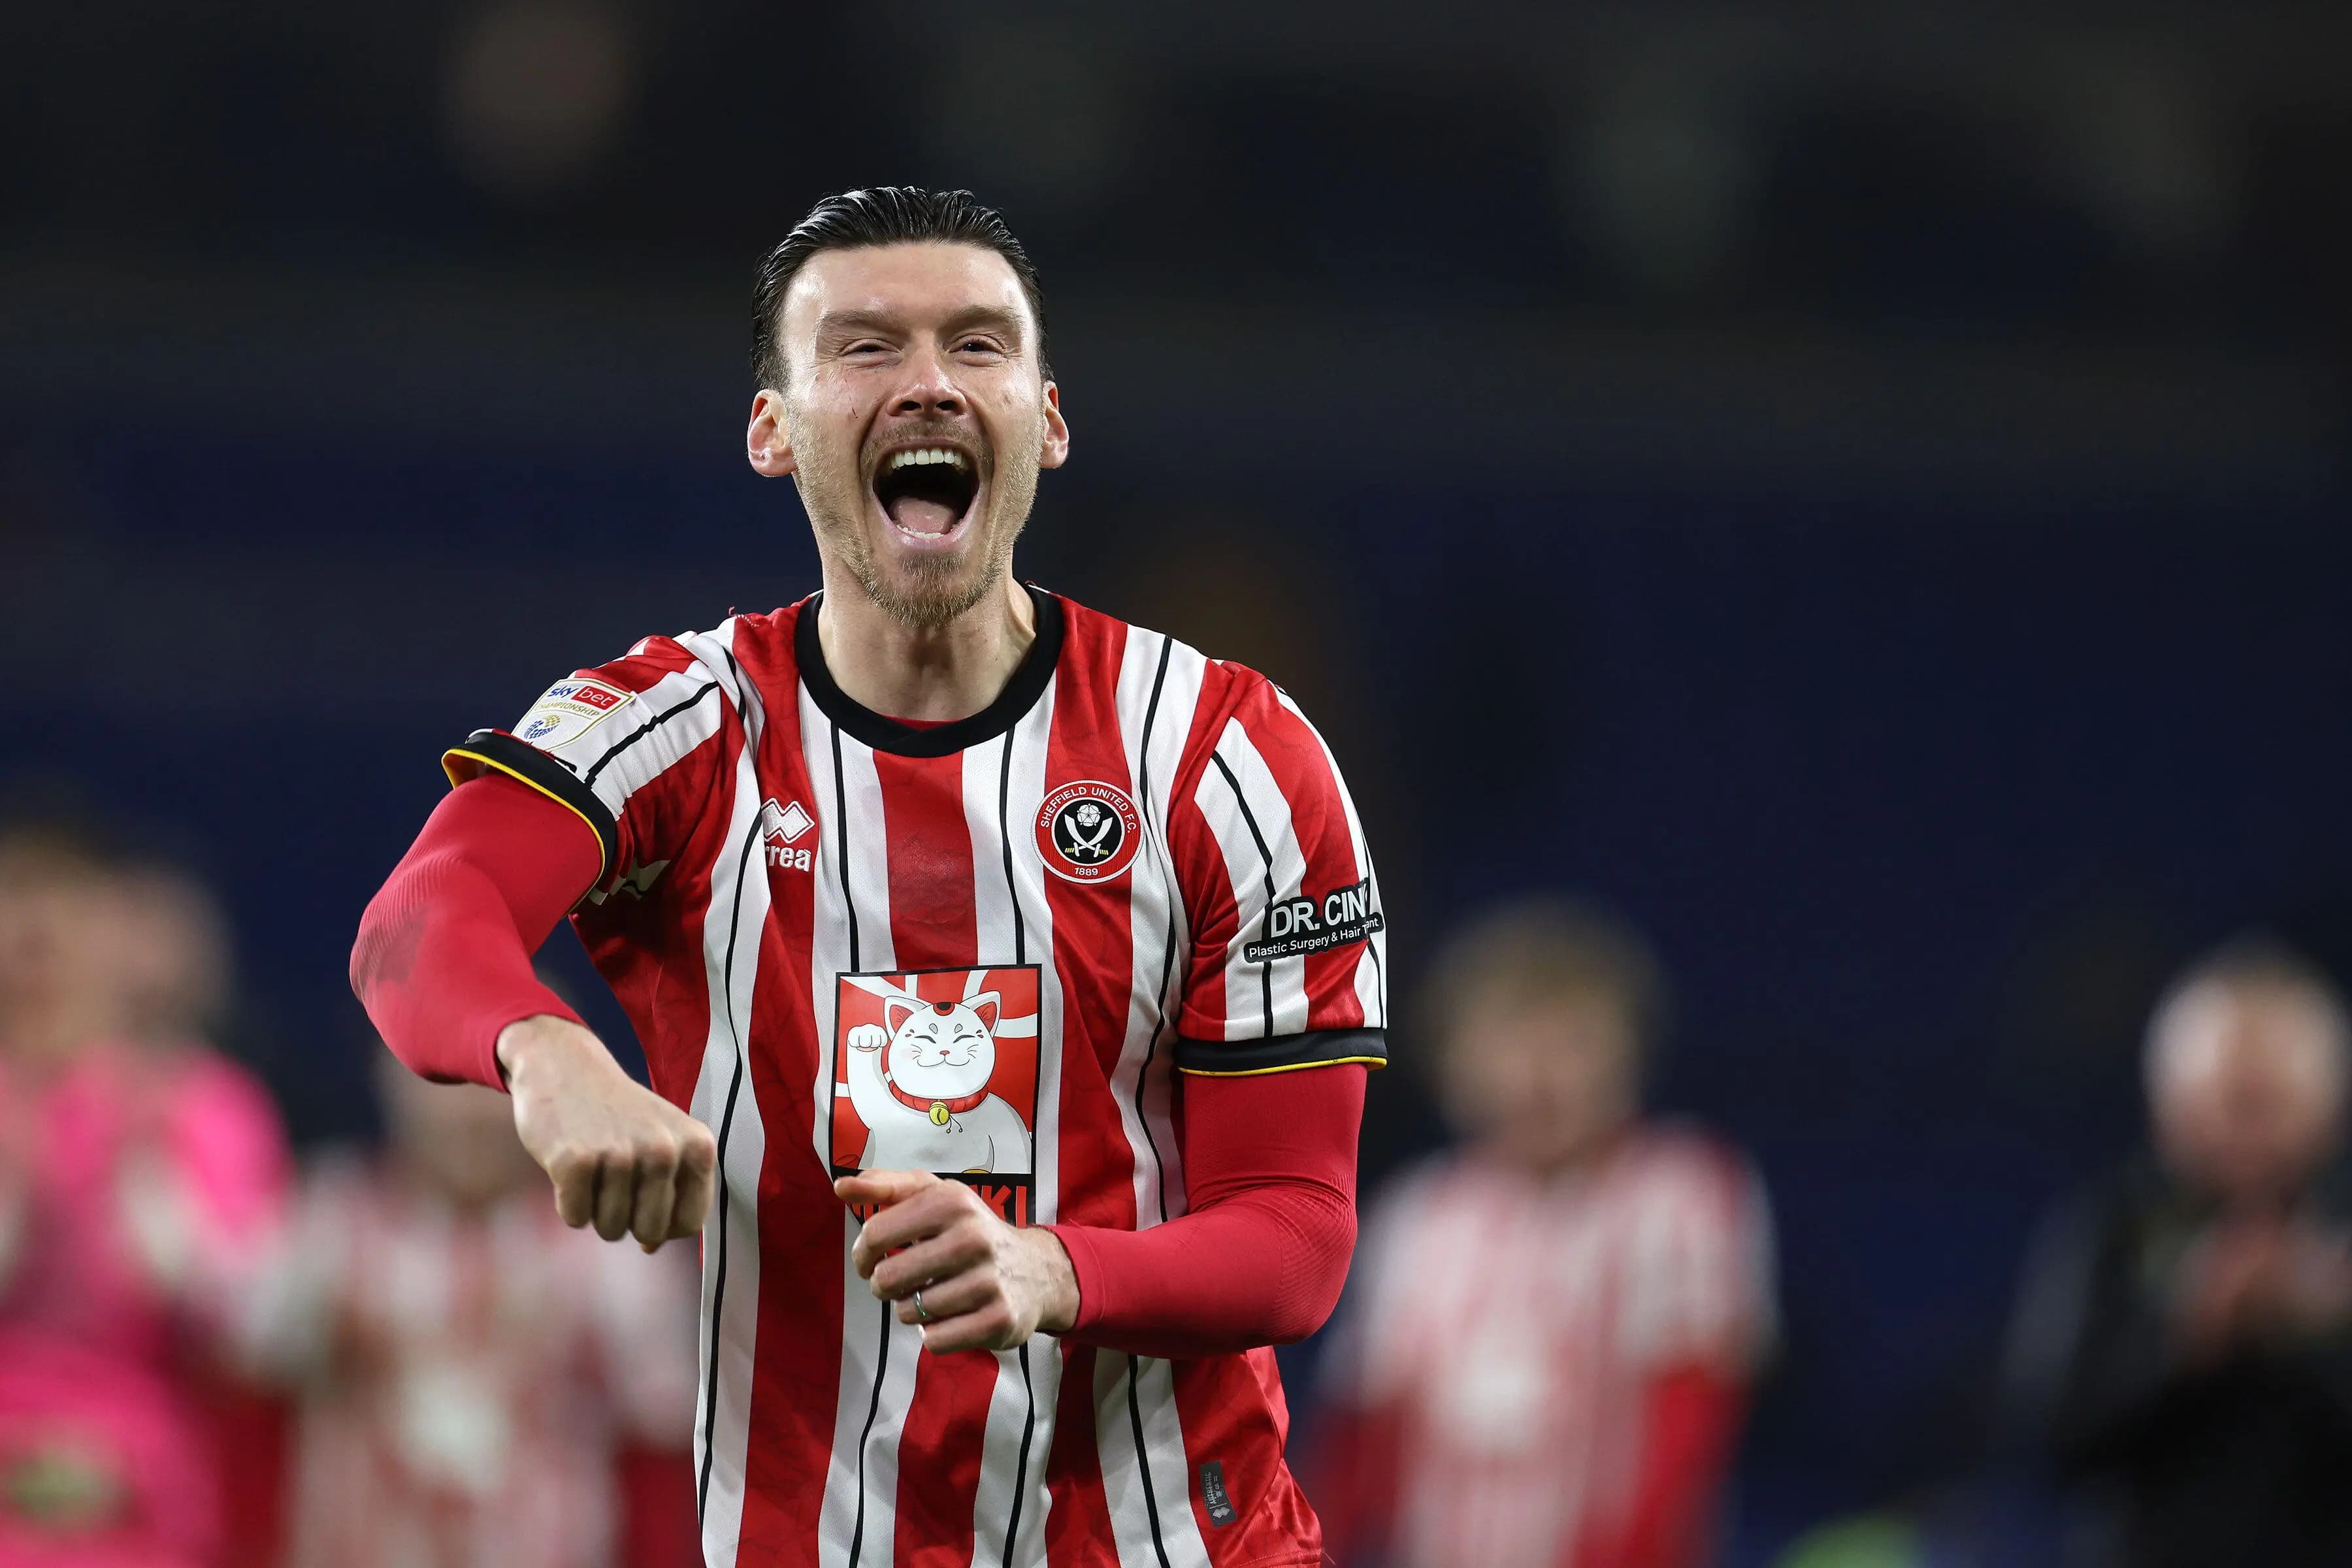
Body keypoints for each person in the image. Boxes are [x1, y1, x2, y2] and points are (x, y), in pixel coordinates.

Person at [351, 186, 1388, 1567]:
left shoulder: (1225, 754)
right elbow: (419, 919)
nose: (929, 384)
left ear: (1048, 420)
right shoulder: (683, 727)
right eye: (865, 347)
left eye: (977, 345)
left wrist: (1055, 1267)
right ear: (773, 431)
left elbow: (1299, 1234)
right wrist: (546, 1057)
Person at [1311, 898, 1774, 1568]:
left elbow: (1691, 1423)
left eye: (1573, 1043)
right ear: (1450, 1065)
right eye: (1510, 1043)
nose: (1540, 1075)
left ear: (1630, 1055)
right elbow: (1363, 1441)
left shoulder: (1681, 1194)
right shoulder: (1415, 1213)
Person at [237, 1046, 700, 1568]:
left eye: (500, 1080)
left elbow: (661, 1459)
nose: (471, 1113)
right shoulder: (324, 1227)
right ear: (388, 1076)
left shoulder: (610, 1246)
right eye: (443, 1080)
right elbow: (248, 1406)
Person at [2003, 940, 2352, 1568]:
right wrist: (2189, 1332)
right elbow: (2047, 1439)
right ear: (2169, 1104)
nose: (2244, 1133)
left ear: (2326, 1106)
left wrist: (2314, 1332)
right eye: (2225, 1102)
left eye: (2266, 1103)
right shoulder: (2114, 1228)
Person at [0, 821, 288, 1568]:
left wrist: (147, 1168)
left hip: (148, 1494)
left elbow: (245, 1326)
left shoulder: (206, 1105)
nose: (37, 957)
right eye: (19, 930)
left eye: (60, 929)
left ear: (116, 938)